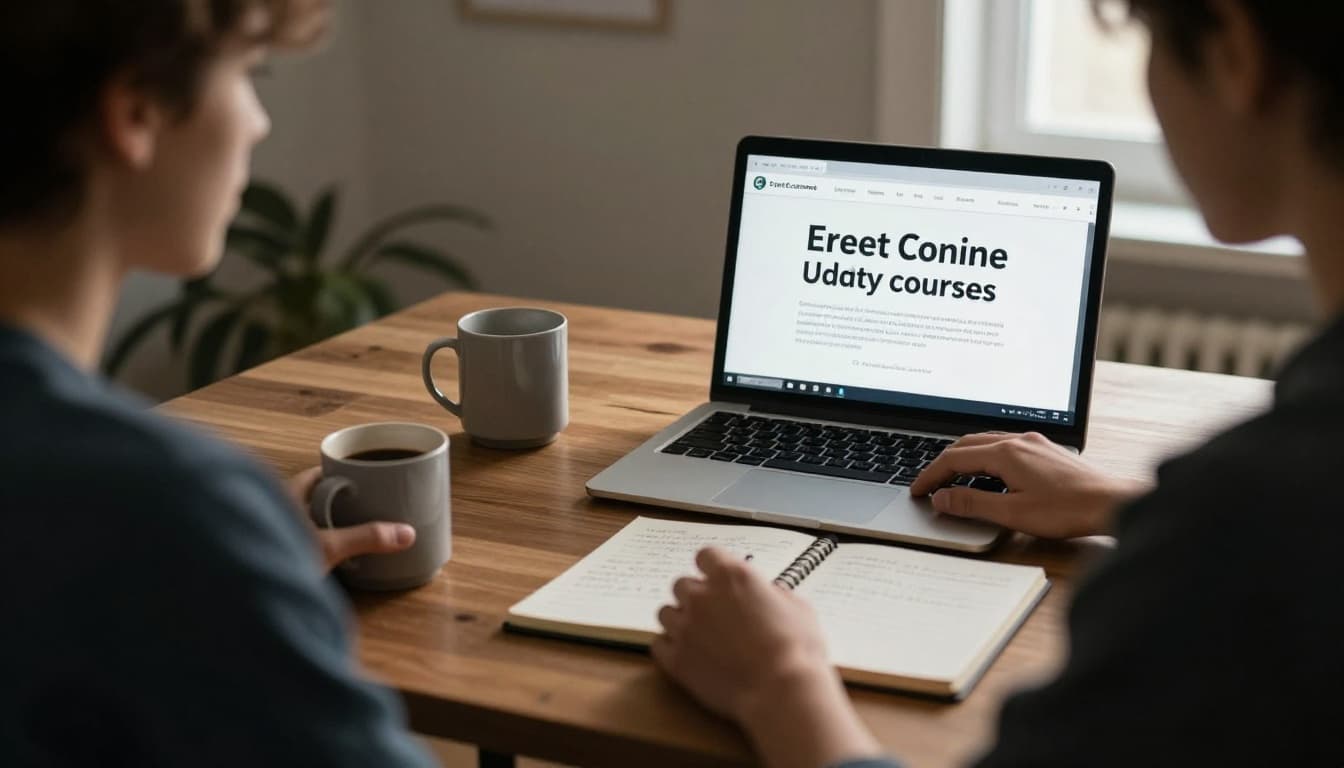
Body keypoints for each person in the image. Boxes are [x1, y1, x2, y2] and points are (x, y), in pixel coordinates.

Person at [653, 1, 1344, 766]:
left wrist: (777, 682)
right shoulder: (1264, 506)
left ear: (1234, 50)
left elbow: (1265, 542)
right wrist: (1126, 505)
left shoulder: (1244, 523)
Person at [0, 2, 437, 764]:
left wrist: (243, 588)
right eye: (248, 73)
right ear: (135, 112)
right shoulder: (158, 505)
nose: (259, 122)